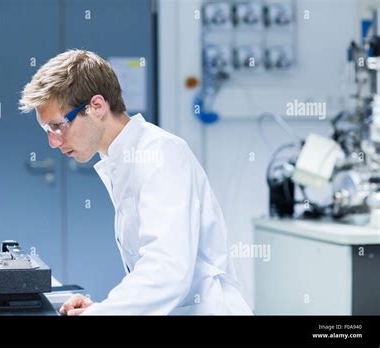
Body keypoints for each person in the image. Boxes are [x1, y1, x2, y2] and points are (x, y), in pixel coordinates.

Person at [19, 49, 252, 315]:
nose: (53, 142)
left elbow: (166, 271)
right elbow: (150, 271)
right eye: (47, 130)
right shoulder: (123, 160)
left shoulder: (160, 154)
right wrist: (105, 308)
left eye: (58, 126)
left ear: (97, 106)